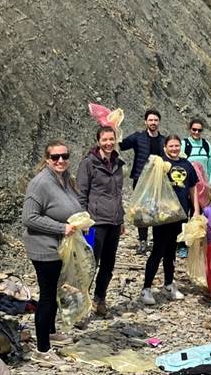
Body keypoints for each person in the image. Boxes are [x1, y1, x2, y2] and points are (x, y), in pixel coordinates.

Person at [22, 139, 82, 365]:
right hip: (44, 247)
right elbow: (29, 217)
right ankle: (42, 349)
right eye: (55, 157)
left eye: (64, 156)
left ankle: (50, 332)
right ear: (47, 159)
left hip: (61, 246)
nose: (60, 161)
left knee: (56, 292)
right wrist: (61, 228)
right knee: (47, 296)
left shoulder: (65, 179)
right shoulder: (40, 183)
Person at [140, 135, 199, 305]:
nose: (174, 148)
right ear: (165, 147)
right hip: (163, 215)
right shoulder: (160, 163)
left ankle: (168, 284)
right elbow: (149, 184)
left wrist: (196, 209)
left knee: (171, 251)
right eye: (171, 146)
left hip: (180, 214)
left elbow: (193, 188)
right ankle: (146, 288)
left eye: (176, 145)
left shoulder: (186, 165)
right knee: (158, 249)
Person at [76, 126, 125, 318]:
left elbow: (118, 194)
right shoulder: (89, 163)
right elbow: (81, 194)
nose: (108, 143)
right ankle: (82, 308)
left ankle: (100, 299)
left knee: (108, 264)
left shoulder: (118, 163)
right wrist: (83, 220)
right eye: (105, 140)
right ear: (98, 141)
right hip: (94, 223)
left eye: (111, 139)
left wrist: (121, 218)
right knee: (90, 265)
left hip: (113, 221)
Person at [119, 109, 164, 254]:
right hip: (140, 179)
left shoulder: (163, 140)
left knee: (157, 211)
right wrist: (113, 130)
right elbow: (121, 145)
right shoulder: (138, 137)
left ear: (159, 122)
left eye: (155, 120)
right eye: (150, 120)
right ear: (145, 122)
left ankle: (157, 241)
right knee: (141, 211)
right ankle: (143, 241)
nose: (153, 123)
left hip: (158, 180)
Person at [177, 118, 211, 258]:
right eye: (194, 129)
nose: (197, 132)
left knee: (198, 215)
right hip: (186, 186)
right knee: (183, 215)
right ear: (189, 129)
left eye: (199, 130)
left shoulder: (206, 145)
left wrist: (210, 183)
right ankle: (182, 245)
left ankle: (196, 243)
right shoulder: (184, 144)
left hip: (203, 187)